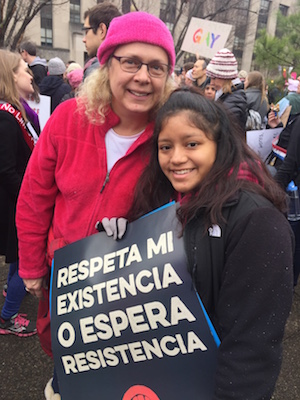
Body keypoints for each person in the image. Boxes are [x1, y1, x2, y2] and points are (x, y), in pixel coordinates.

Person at [16, 11, 175, 399]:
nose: (143, 76)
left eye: (157, 67)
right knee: (66, 362)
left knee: (123, 378)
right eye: (131, 61)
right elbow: (35, 195)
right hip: (67, 277)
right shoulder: (70, 118)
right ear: (107, 64)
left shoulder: (174, 131)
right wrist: (32, 266)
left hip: (134, 291)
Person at [125, 87, 294, 399]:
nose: (176, 158)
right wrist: (121, 239)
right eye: (165, 147)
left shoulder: (258, 222)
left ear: (219, 144)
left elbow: (251, 349)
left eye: (192, 143)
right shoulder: (162, 202)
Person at [0, 49, 40, 337]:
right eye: (25, 70)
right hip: (16, 203)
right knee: (24, 258)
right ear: (11, 76)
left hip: (17, 201)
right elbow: (5, 169)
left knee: (20, 257)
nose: (31, 75)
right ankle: (7, 317)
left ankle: (10, 303)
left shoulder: (15, 112)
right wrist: (28, 199)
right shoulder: (5, 118)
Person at [267, 109, 300, 287]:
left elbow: (291, 162)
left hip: (292, 188)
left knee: (292, 240)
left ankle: (287, 282)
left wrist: (271, 192)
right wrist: (278, 127)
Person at [206, 48, 247, 132]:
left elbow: (221, 125)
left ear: (226, 77)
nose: (211, 83)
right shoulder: (230, 95)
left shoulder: (236, 98)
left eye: (214, 78)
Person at [82, 2, 121, 80]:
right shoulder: (125, 65)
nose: (84, 40)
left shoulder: (95, 73)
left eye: (87, 31)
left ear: (102, 30)